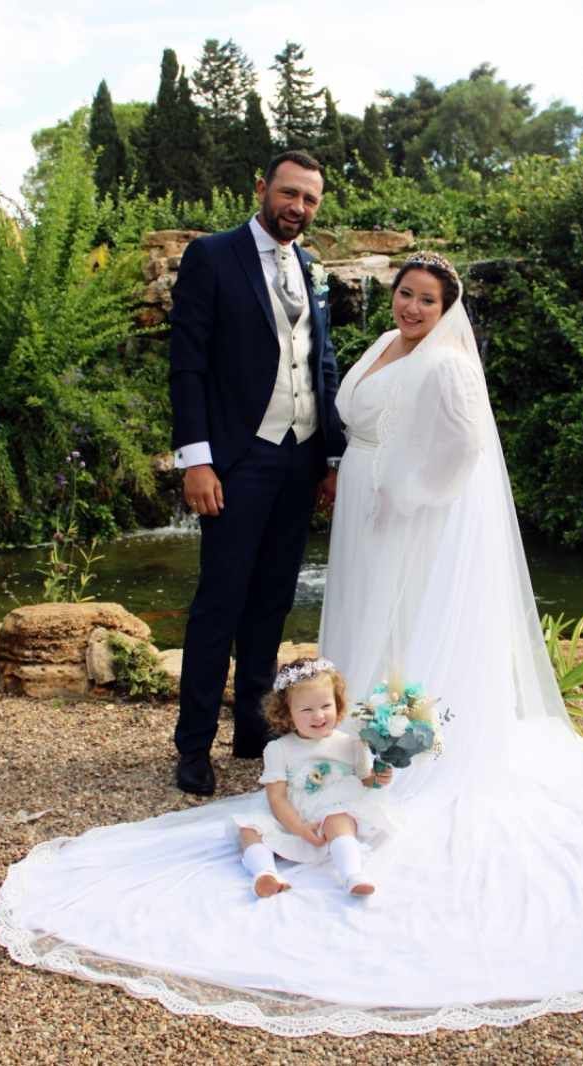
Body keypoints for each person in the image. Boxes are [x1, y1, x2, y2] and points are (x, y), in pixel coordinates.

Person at [0, 252, 583, 1037]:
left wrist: (406, 490)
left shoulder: (450, 361)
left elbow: (467, 446)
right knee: (352, 621)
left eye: (426, 299)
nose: (411, 306)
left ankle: (401, 748)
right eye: (405, 294)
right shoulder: (380, 345)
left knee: (402, 628)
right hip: (356, 504)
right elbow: (343, 408)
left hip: (406, 516)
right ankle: (329, 735)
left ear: (448, 307)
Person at [167, 150, 344, 796]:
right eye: (289, 194)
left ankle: (250, 727)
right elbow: (187, 365)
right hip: (237, 458)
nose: (298, 208)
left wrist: (329, 457)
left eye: (311, 200)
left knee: (272, 600)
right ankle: (192, 747)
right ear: (261, 187)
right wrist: (197, 458)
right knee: (220, 601)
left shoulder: (311, 267)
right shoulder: (212, 257)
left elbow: (320, 363)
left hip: (298, 459)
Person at [232, 658, 397, 898]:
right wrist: (297, 827)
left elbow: (364, 781)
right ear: (286, 713)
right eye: (307, 709)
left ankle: (352, 874)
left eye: (326, 706)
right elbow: (276, 798)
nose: (318, 715)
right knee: (249, 828)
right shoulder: (279, 749)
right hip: (291, 814)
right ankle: (264, 873)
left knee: (338, 819)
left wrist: (378, 779)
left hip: (331, 812)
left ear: (338, 705)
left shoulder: (350, 744)